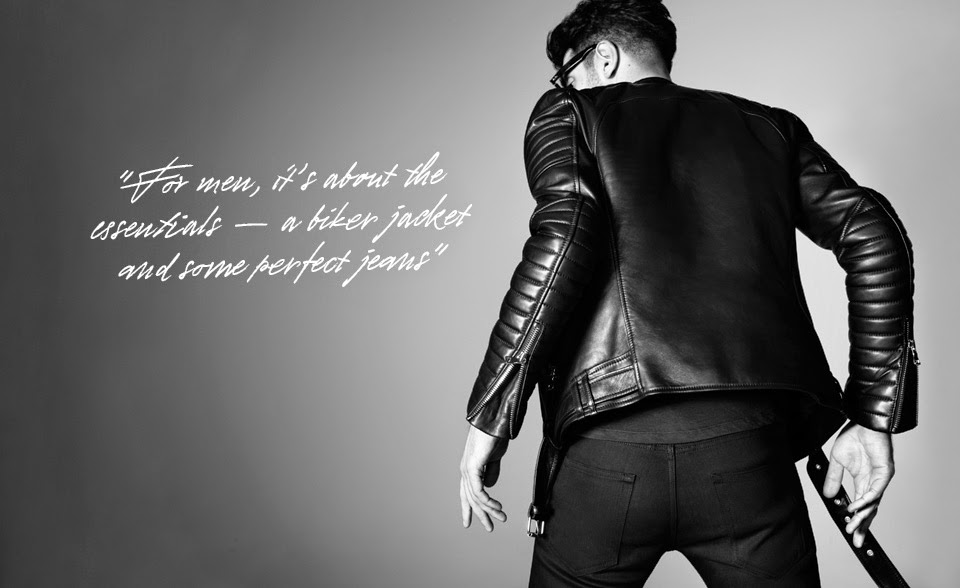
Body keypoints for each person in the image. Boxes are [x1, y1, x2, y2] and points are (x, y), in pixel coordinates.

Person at [458, 1, 919, 586]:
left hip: (608, 457)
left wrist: (492, 414)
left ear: (604, 56)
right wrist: (874, 414)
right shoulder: (768, 128)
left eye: (568, 73)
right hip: (747, 456)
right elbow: (874, 231)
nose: (565, 87)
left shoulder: (570, 113)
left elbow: (567, 234)